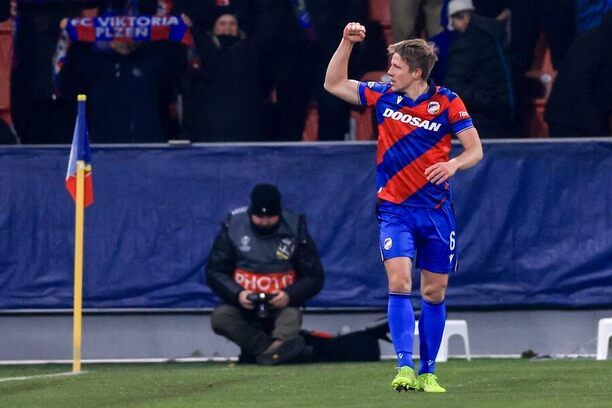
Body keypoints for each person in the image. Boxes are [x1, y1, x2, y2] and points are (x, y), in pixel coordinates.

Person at [324, 23, 483, 392]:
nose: (389, 72)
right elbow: (334, 84)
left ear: (416, 72)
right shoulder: (383, 95)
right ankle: (403, 366)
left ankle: (428, 371)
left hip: (436, 212)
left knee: (434, 293)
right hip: (394, 209)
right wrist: (345, 42)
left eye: (396, 67)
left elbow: (475, 149)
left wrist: (454, 164)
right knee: (399, 282)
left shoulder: (447, 102)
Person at [206, 184, 325, 365]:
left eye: (270, 217)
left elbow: (314, 276)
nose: (264, 222)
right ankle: (271, 350)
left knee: (292, 316)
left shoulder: (294, 227)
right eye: (259, 217)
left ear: (279, 213)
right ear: (251, 212)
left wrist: (289, 295)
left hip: (282, 304)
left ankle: (273, 350)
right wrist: (238, 294)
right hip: (244, 304)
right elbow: (215, 271)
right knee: (220, 318)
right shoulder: (234, 226)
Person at [443, 0, 515, 138]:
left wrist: (488, 101)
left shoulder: (467, 42)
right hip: (502, 117)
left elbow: (453, 86)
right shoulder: (496, 35)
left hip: (481, 121)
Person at [545, 11, 612, 137]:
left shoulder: (595, 40)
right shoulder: (594, 43)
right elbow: (576, 87)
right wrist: (598, 130)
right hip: (570, 122)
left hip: (583, 121)